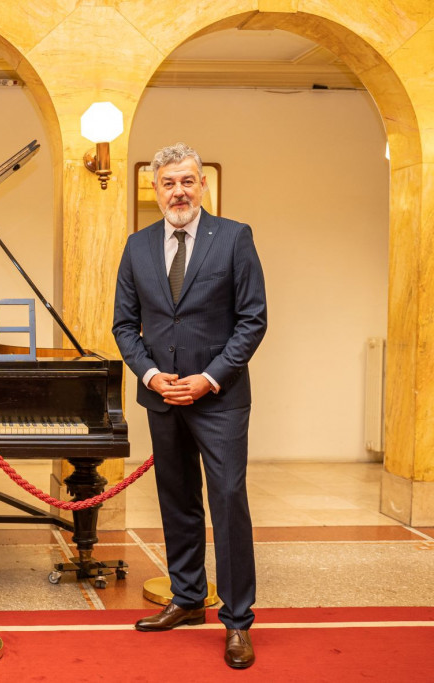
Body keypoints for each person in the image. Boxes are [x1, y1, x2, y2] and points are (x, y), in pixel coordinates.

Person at [112, 143, 266, 669]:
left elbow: (253, 320)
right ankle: (188, 598)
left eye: (186, 181)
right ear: (155, 190)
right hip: (163, 397)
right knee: (177, 500)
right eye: (168, 183)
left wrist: (209, 378)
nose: (178, 191)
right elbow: (123, 325)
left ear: (202, 185)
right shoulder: (137, 246)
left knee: (228, 501)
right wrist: (152, 376)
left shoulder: (234, 238)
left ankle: (238, 620)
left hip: (219, 398)